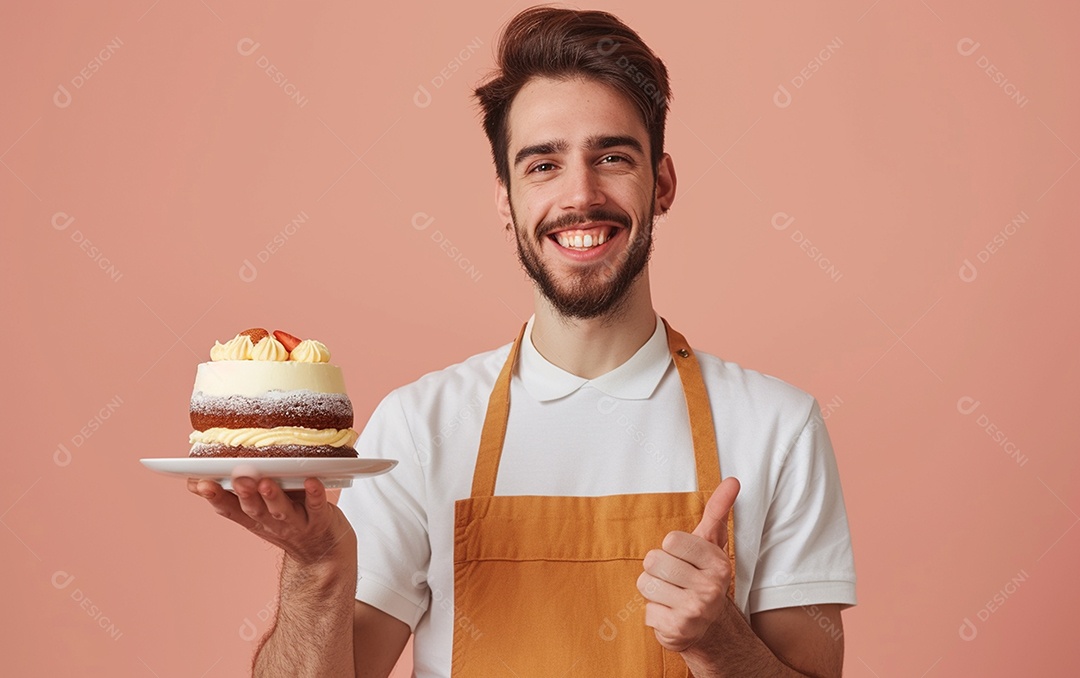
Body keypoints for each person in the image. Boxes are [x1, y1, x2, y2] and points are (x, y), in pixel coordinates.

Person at [190, 7, 856, 677]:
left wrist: (720, 642)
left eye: (612, 157)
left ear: (662, 184)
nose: (580, 195)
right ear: (505, 201)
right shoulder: (420, 429)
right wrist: (316, 567)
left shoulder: (778, 428)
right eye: (543, 165)